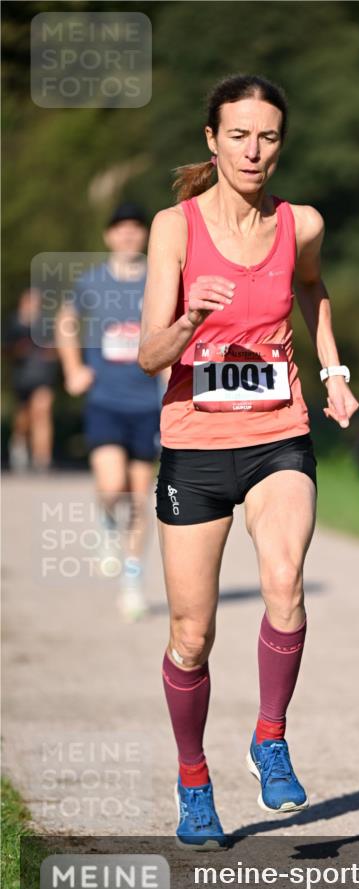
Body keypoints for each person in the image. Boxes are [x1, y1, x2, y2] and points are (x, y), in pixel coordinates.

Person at [139, 74, 359, 849]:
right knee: (191, 637)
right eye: (238, 134)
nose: (253, 150)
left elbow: (314, 290)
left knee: (283, 584)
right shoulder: (174, 228)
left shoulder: (300, 224)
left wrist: (332, 373)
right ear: (212, 140)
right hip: (194, 449)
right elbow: (147, 355)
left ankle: (270, 737)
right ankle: (193, 779)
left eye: (266, 135)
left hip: (277, 436)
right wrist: (191, 316)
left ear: (280, 142)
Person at [56, 203, 165, 622]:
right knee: (111, 484)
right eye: (120, 229)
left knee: (139, 500)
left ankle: (133, 585)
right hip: (104, 400)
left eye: (136, 229)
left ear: (144, 236)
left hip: (147, 405)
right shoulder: (91, 282)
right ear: (109, 236)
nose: (128, 236)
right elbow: (66, 322)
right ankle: (105, 527)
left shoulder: (159, 281)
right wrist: (72, 369)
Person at [5, 288, 58, 472]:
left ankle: (42, 458)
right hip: (22, 376)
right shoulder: (14, 323)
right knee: (24, 417)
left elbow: (57, 347)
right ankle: (19, 442)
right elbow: (6, 348)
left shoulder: (47, 323)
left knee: (42, 412)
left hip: (43, 375)